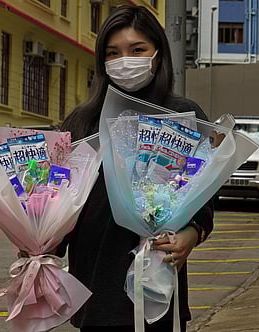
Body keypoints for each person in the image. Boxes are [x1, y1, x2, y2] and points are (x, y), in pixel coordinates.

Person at [58, 5, 214, 332]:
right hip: (94, 290)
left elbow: (204, 199)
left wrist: (190, 234)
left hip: (155, 289)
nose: (124, 61)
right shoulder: (81, 121)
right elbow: (60, 201)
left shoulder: (182, 115)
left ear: (157, 54)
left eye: (137, 49)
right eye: (113, 53)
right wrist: (37, 238)